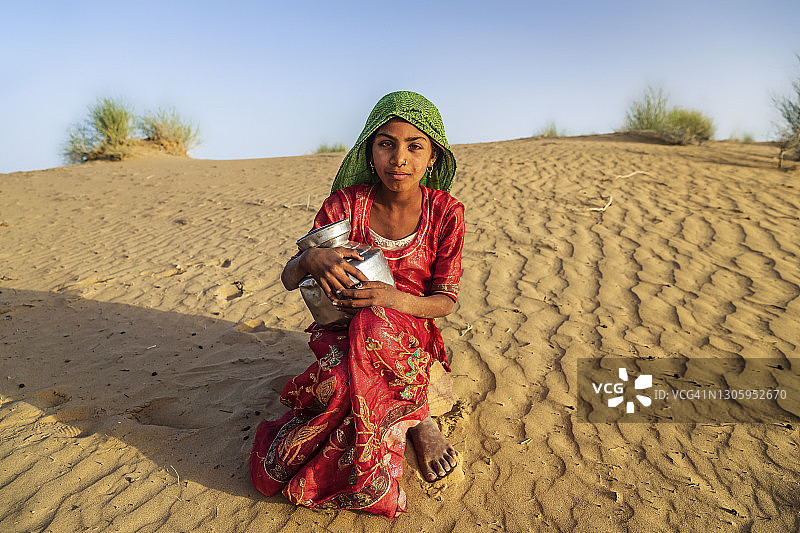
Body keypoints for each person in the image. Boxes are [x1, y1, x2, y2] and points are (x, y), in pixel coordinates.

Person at [250, 91, 465, 518]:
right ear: (370, 151)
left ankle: (419, 421)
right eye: (386, 143)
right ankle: (409, 417)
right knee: (338, 390)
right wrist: (311, 258)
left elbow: (444, 302)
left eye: (414, 146)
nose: (398, 157)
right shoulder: (346, 205)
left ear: (433, 159)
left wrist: (390, 298)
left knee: (374, 323)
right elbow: (290, 279)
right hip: (340, 329)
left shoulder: (446, 212)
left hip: (407, 326)